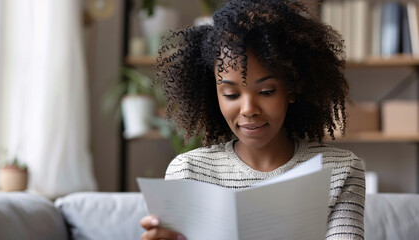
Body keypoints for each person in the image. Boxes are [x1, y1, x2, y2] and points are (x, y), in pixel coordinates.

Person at [140, 0, 365, 239]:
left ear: (291, 90)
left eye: (267, 92)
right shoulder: (187, 172)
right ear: (213, 94)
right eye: (231, 94)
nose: (248, 109)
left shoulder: (340, 171)